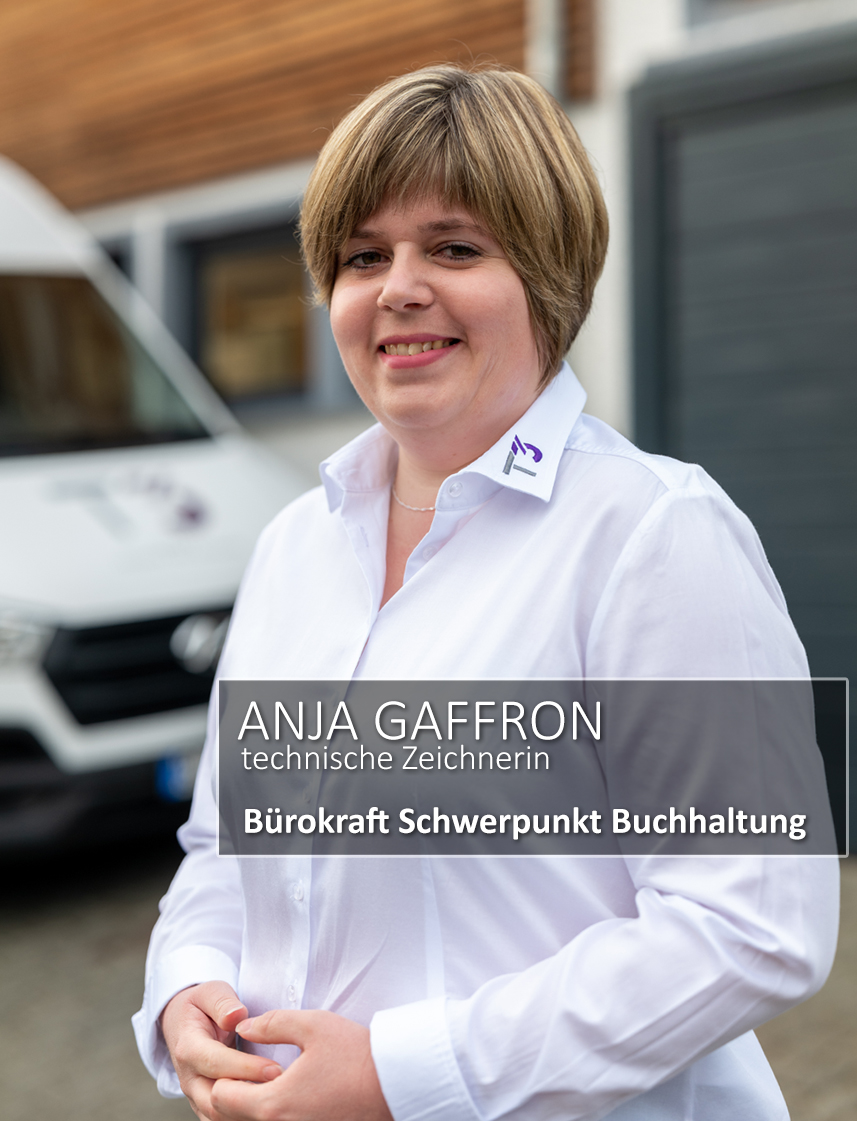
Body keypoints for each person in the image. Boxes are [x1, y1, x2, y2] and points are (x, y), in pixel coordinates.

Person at [134, 64, 838, 1121]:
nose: (398, 287)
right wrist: (187, 986)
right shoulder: (292, 548)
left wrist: (404, 1074)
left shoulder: (653, 533)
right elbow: (225, 848)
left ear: (547, 275)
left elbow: (756, 921)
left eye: (454, 248)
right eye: (363, 255)